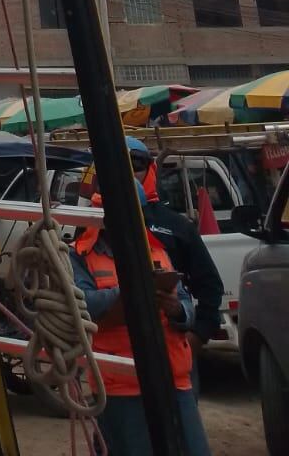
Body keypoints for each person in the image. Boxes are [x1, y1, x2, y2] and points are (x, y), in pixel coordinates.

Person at [68, 182, 213, 456]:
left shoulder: (157, 252)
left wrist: (177, 310)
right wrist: (136, 288)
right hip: (122, 383)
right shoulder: (80, 257)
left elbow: (186, 303)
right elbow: (83, 304)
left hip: (173, 379)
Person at [127, 138, 224, 368]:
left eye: (135, 163)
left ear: (150, 169)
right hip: (112, 363)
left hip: (172, 354)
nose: (127, 172)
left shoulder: (176, 226)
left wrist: (198, 335)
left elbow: (209, 285)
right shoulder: (90, 225)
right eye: (117, 164)